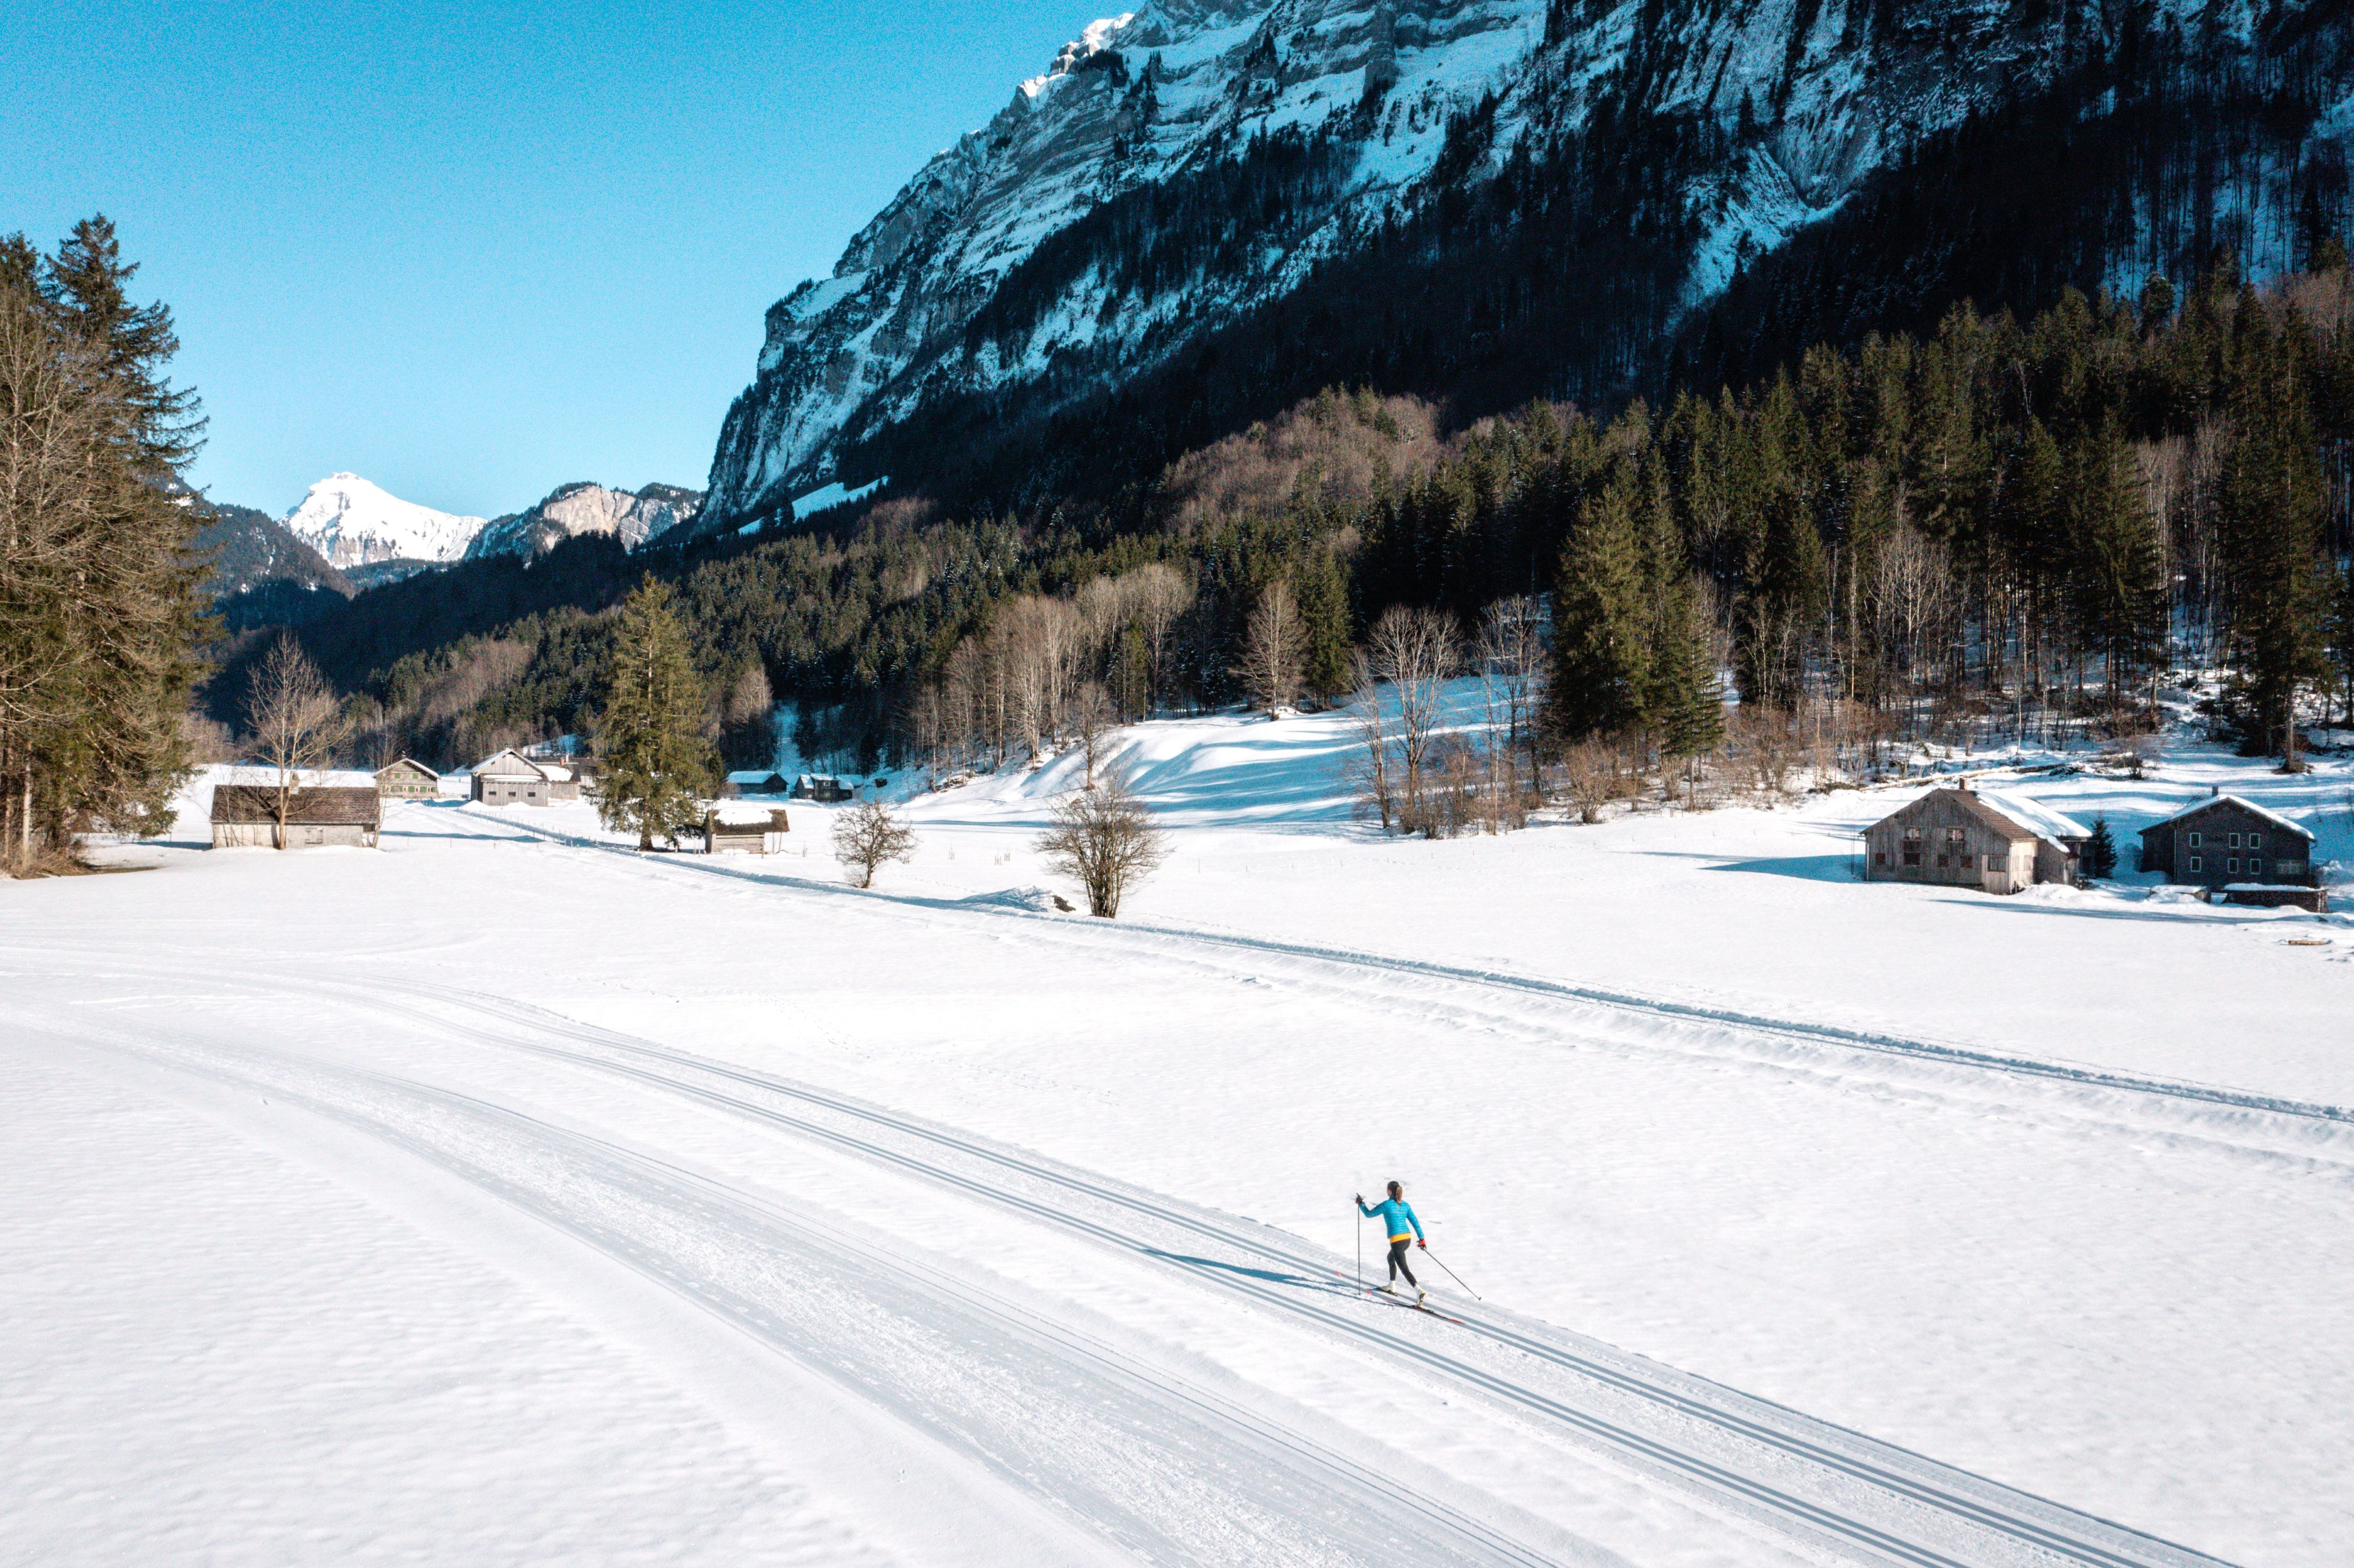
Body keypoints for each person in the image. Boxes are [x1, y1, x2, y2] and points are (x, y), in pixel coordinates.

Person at [1356, 1181, 1425, 1302]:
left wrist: (1361, 1204)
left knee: (1404, 1268)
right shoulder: (1405, 1205)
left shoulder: (1386, 1205)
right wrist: (1422, 1239)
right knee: (1390, 1258)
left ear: (1390, 1191)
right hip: (1407, 1240)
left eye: (1387, 1189)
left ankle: (1419, 1291)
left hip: (1397, 1241)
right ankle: (1392, 1286)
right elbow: (1415, 1222)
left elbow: (1369, 1214)